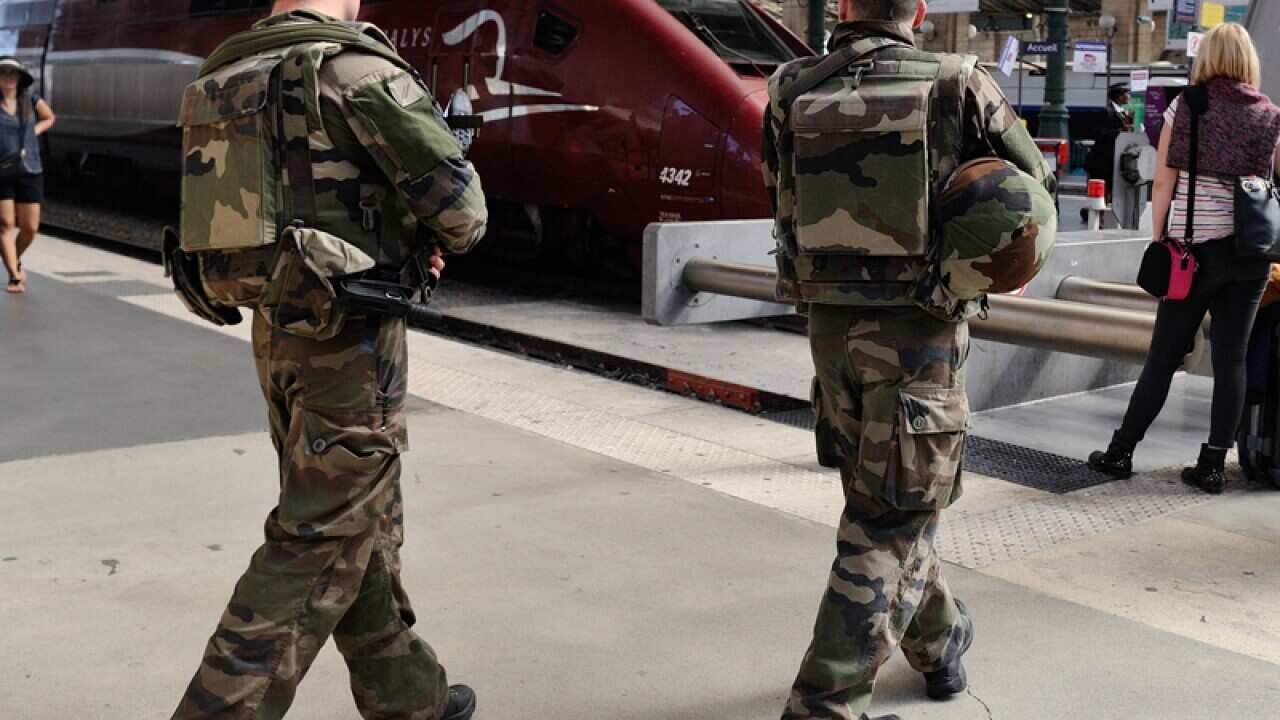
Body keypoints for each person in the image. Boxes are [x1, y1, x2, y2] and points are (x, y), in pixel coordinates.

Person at [168, 1, 487, 718]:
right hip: (350, 343)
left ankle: (410, 699)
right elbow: (465, 216)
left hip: (276, 331)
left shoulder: (228, 72)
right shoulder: (356, 69)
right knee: (315, 539)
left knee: (355, 519)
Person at [762, 1, 1055, 719]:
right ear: (918, 10)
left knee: (884, 499)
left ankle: (940, 639)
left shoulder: (791, 87)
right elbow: (1030, 191)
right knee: (893, 518)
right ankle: (825, 702)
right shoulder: (960, 82)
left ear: (844, 7)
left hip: (829, 329)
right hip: (920, 334)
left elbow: (780, 190)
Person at [1088, 22, 1280, 494]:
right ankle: (1213, 465)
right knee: (1231, 359)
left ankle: (1121, 452)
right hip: (1251, 256)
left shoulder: (1187, 106)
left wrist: (1161, 240)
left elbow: (1162, 181)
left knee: (1164, 357)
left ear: (1207, 58)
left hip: (1193, 253)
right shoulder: (1270, 115)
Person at [0, 57, 54, 294]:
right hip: (1, 171)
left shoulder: (31, 100)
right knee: (5, 224)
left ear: (20, 77)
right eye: (4, 73)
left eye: (13, 73)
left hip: (30, 168)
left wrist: (34, 131)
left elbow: (49, 117)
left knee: (30, 227)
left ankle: (14, 258)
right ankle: (14, 276)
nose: (9, 77)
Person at [1085, 83, 1133, 203]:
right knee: (1103, 191)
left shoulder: (1126, 113)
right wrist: (1119, 131)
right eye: (1127, 93)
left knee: (1113, 190)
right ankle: (1098, 215)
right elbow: (1096, 132)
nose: (1129, 96)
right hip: (1104, 161)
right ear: (1119, 96)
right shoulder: (1107, 112)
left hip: (1116, 159)